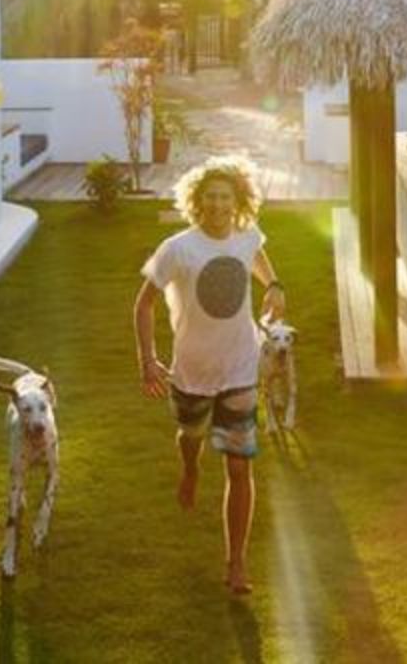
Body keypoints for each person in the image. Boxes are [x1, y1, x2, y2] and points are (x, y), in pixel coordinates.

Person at [133, 156, 285, 596]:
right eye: (211, 197)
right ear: (197, 202)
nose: (218, 204)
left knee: (240, 467)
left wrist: (274, 285)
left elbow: (258, 257)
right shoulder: (177, 248)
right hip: (191, 371)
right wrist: (147, 359)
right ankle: (190, 469)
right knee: (190, 437)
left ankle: (236, 562)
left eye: (226, 197)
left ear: (238, 201)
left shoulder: (247, 235)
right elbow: (142, 304)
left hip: (239, 368)